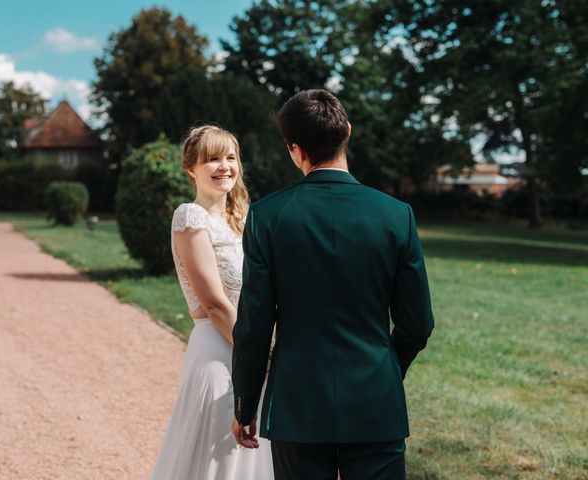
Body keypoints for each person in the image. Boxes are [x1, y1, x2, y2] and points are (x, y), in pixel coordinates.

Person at [231, 90, 435, 479]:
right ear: (348, 132)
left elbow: (254, 325)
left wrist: (245, 405)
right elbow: (418, 324)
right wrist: (387, 368)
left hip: (297, 405)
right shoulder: (397, 216)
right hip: (377, 402)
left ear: (296, 150)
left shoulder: (265, 217)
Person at [151, 125, 273, 480]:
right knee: (217, 461)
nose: (224, 167)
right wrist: (258, 357)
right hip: (221, 353)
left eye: (231, 157)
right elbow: (215, 304)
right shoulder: (190, 218)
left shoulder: (244, 219)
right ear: (191, 168)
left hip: (253, 348)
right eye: (213, 159)